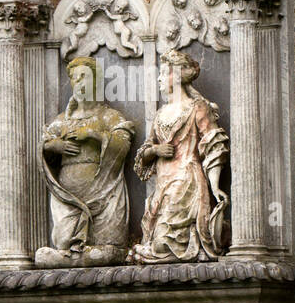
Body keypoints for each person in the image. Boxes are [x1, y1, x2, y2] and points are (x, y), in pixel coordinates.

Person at [129, 49, 229, 263]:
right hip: (163, 184)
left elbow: (213, 143)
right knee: (157, 237)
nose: (159, 78)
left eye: (163, 73)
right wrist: (155, 151)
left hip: (187, 183)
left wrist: (214, 186)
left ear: (176, 76)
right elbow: (145, 153)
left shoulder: (197, 107)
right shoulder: (160, 113)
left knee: (164, 243)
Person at [36, 56, 135, 266]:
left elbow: (123, 144)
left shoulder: (108, 116)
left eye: (85, 77)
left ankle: (77, 257)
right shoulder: (61, 121)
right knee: (61, 242)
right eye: (75, 77)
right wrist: (55, 146)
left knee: (109, 246)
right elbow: (43, 146)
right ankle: (72, 255)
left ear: (96, 82)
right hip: (67, 200)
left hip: (104, 194)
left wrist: (94, 135)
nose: (80, 82)